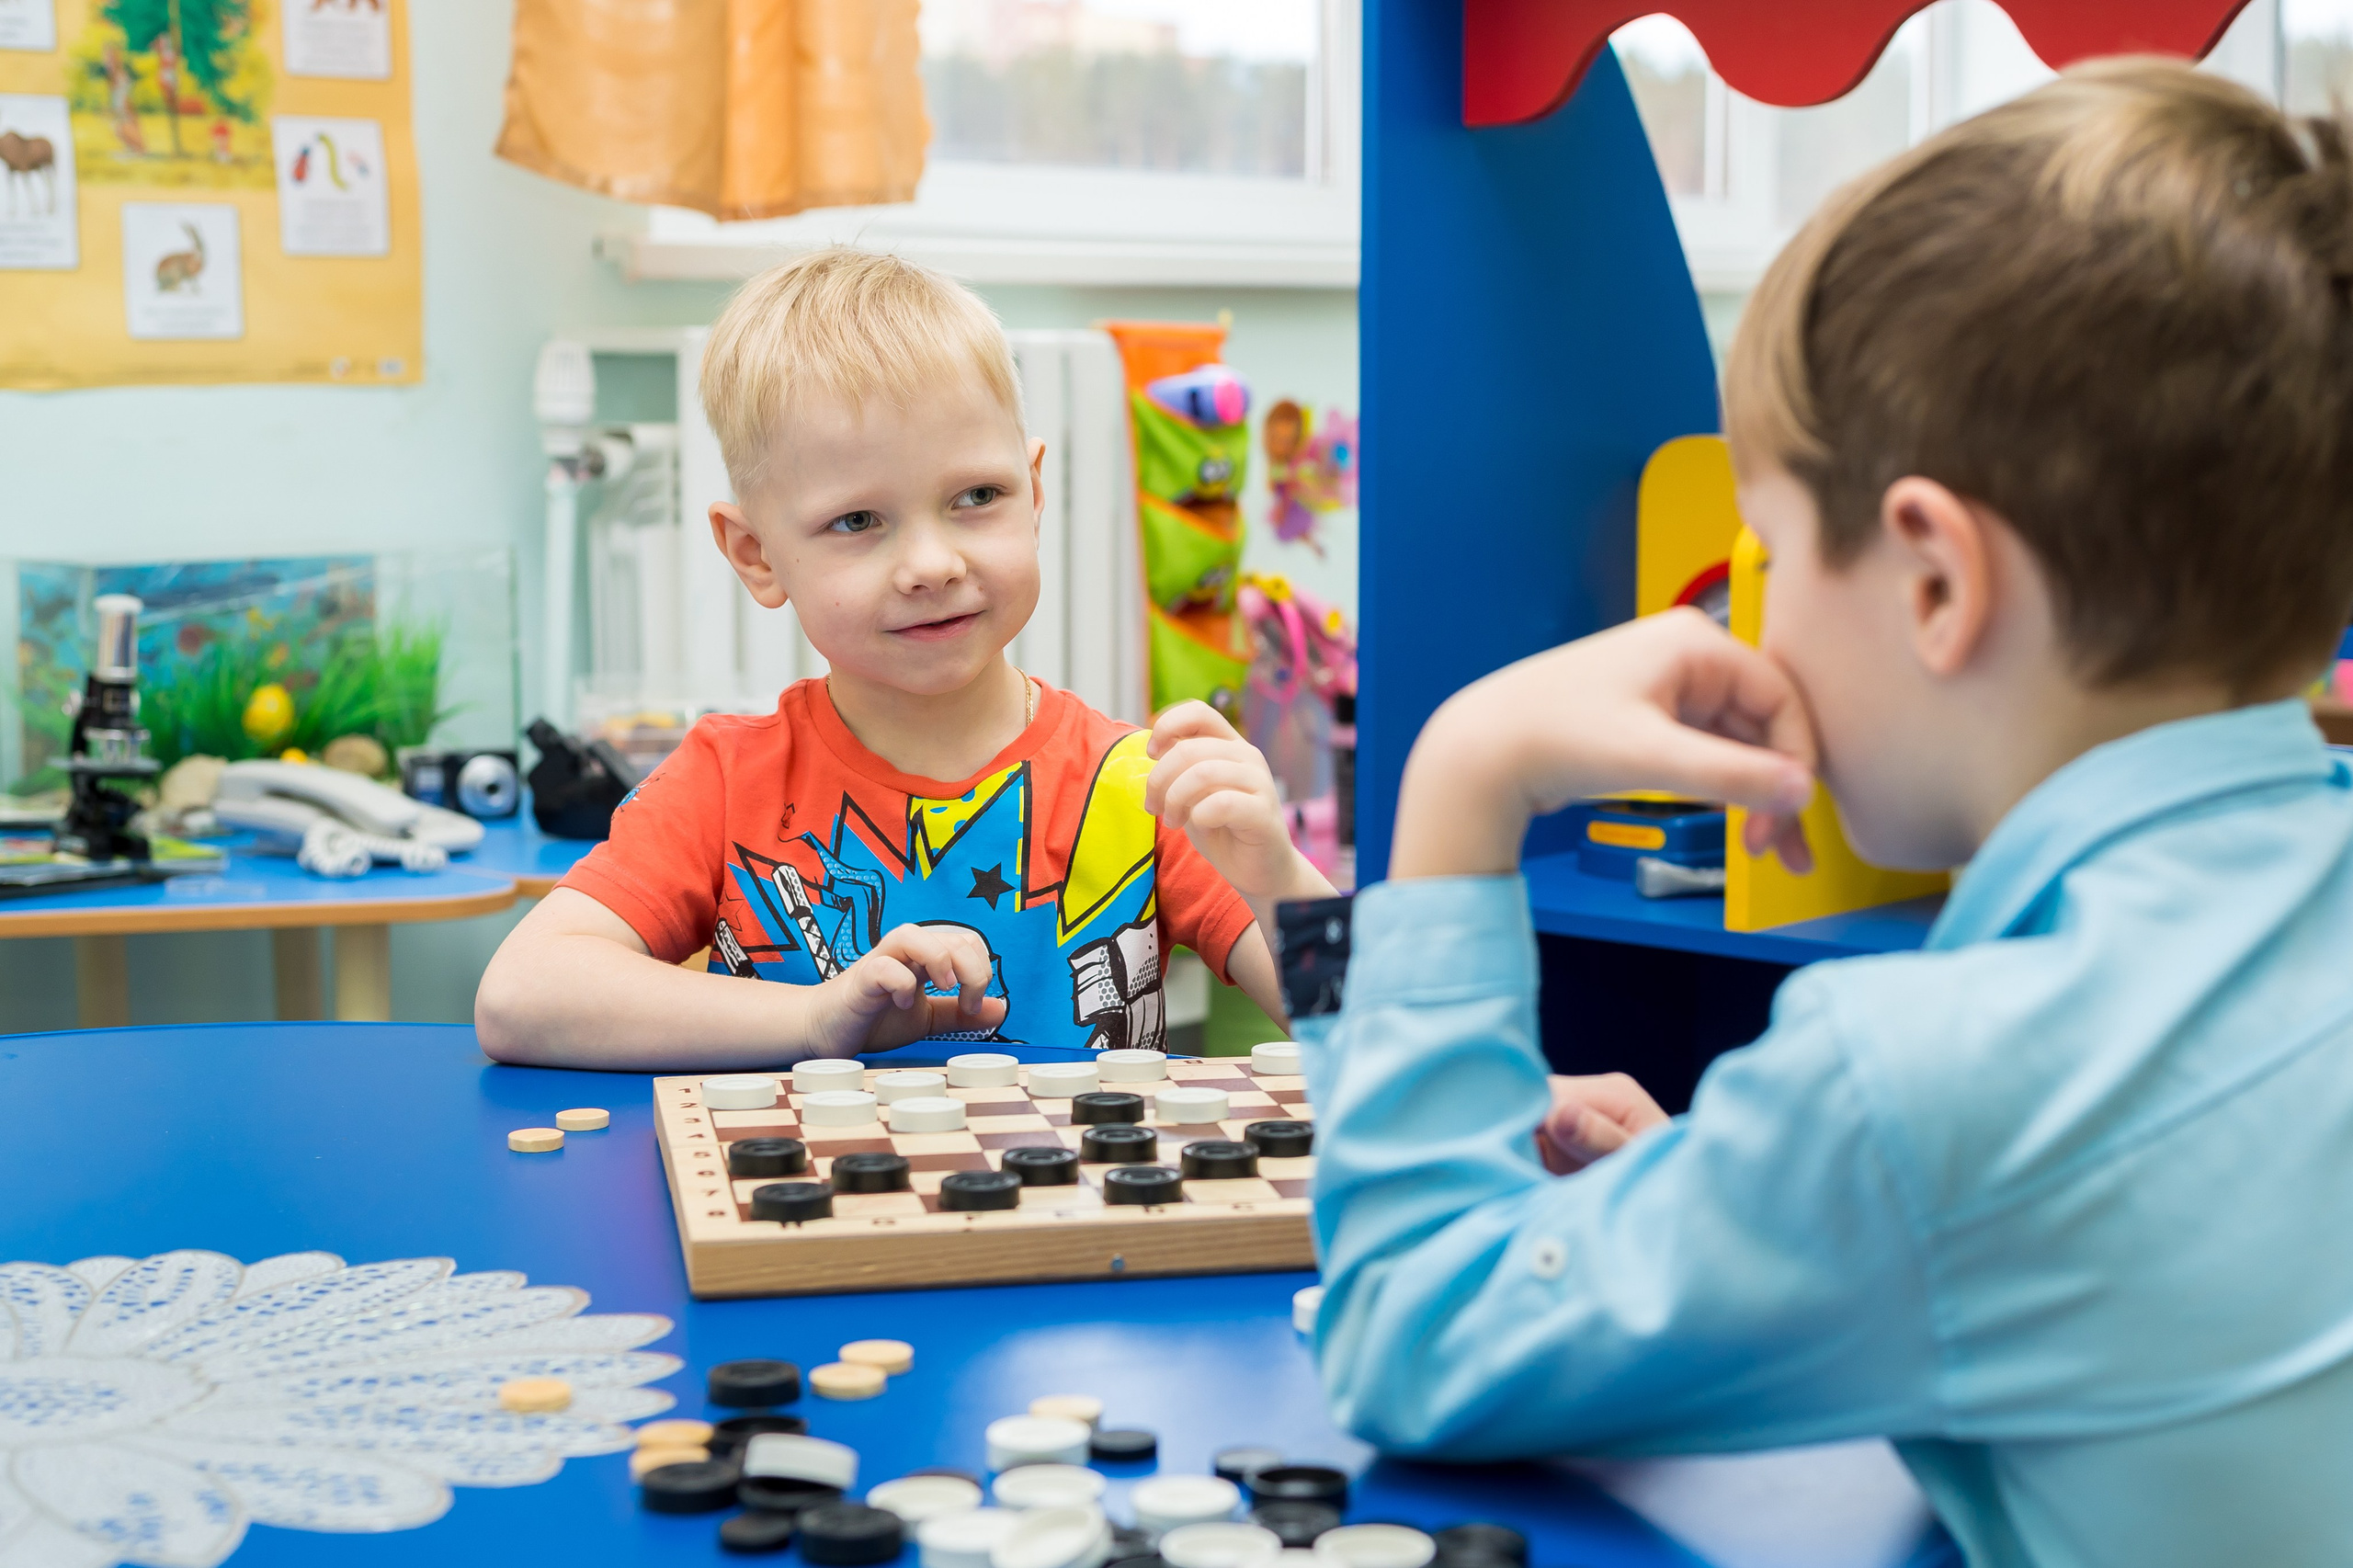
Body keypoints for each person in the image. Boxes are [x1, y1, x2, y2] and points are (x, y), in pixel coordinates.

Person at [1223, 60, 2353, 1566]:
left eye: (1766, 554)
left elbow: (1403, 1329)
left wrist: (1458, 777)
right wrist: (1726, 1178)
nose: (1754, 631)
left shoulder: (1925, 1089)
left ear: (1935, 581)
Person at [477, 249, 1333, 1069]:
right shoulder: (727, 781)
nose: (932, 564)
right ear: (756, 555)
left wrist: (1275, 875)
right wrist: (816, 1019)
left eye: (977, 498)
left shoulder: (1134, 786)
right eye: (857, 521)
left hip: (1084, 1218)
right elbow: (520, 997)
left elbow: (1383, 1032)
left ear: (1034, 496)